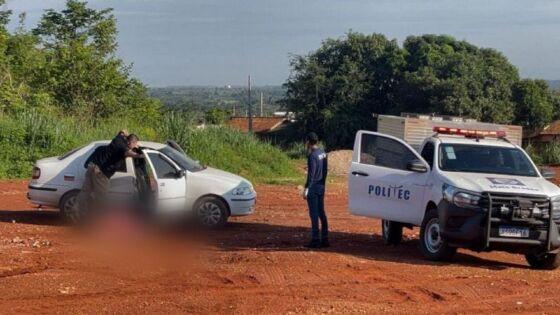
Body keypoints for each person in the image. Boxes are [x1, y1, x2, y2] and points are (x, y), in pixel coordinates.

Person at [77, 131, 143, 218]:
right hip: (101, 173)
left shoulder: (118, 138)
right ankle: (97, 220)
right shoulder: (123, 148)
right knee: (101, 198)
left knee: (85, 192)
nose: (135, 147)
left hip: (92, 167)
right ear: (130, 142)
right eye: (134, 145)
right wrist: (140, 156)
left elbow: (123, 131)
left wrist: (129, 138)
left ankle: (77, 214)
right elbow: (128, 153)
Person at [303, 132, 329, 248]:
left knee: (313, 214)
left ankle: (315, 240)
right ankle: (325, 238)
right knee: (321, 212)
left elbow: (311, 174)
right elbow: (325, 171)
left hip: (313, 188)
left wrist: (306, 188)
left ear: (308, 142)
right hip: (321, 186)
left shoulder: (312, 156)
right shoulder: (323, 153)